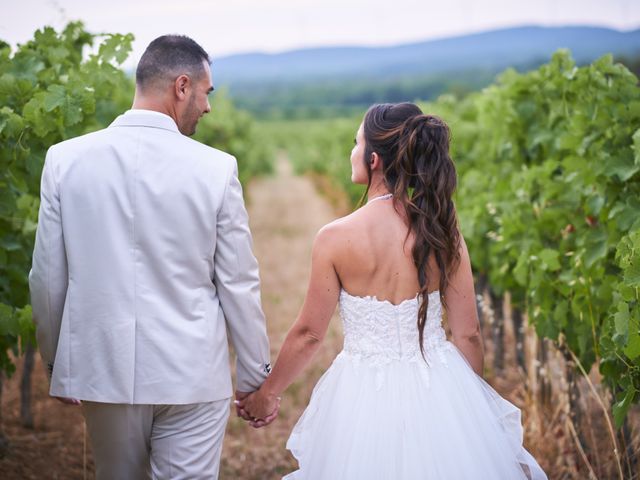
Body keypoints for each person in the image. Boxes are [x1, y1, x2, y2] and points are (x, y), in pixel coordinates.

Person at [239, 103, 547, 479]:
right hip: (439, 384)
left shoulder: (335, 238)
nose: (349, 152)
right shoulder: (442, 232)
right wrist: (470, 410)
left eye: (355, 143)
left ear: (373, 160)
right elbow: (468, 333)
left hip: (363, 393)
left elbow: (309, 333)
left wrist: (267, 393)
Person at [29, 35, 275, 480]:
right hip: (193, 372)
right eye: (207, 92)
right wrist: (255, 376)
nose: (209, 106)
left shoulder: (64, 161)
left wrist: (56, 363)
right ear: (182, 86)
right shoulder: (217, 169)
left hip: (103, 367)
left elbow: (47, 278)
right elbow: (239, 282)